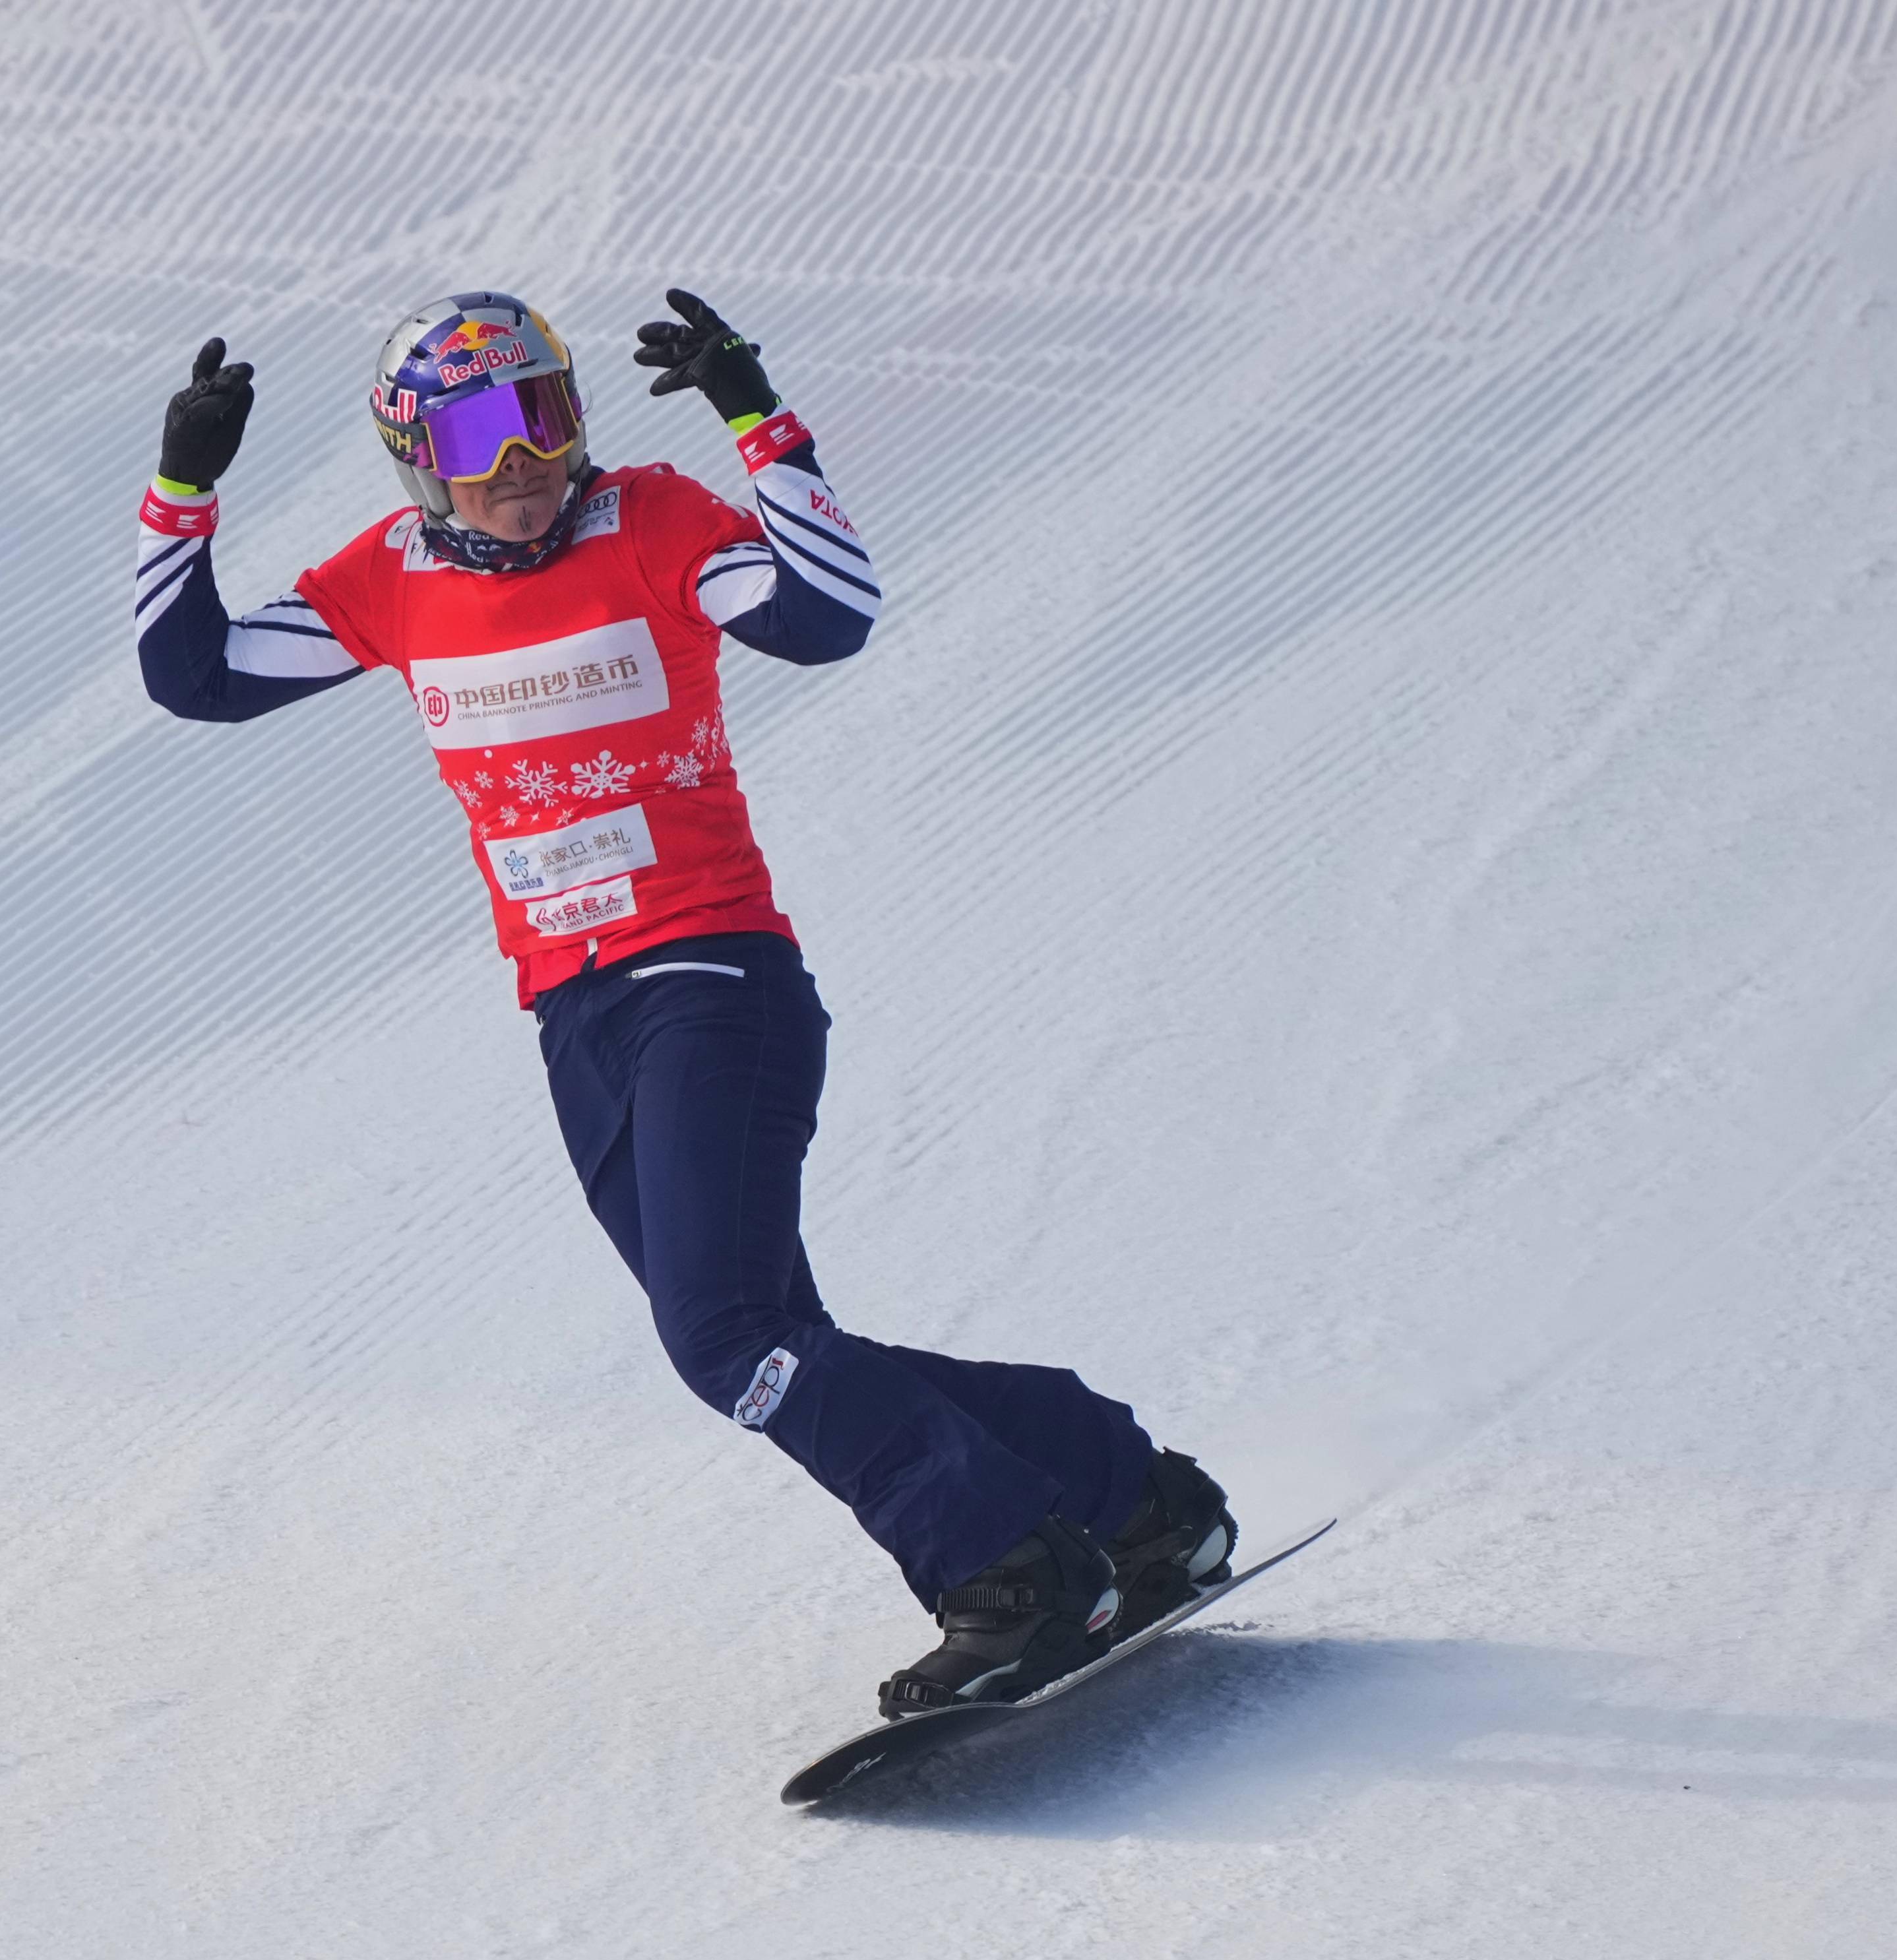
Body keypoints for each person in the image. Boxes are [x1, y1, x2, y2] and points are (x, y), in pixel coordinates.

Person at [131, 290, 1239, 1717]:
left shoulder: (648, 523)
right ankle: (1130, 1497)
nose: (524, 453)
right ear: (417, 453)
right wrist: (182, 493)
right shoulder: (388, 577)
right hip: (575, 1018)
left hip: (713, 978)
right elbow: (197, 676)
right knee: (775, 1346)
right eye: (481, 428)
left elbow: (827, 616)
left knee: (723, 1336)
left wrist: (760, 422)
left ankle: (1011, 1569)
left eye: (548, 411)